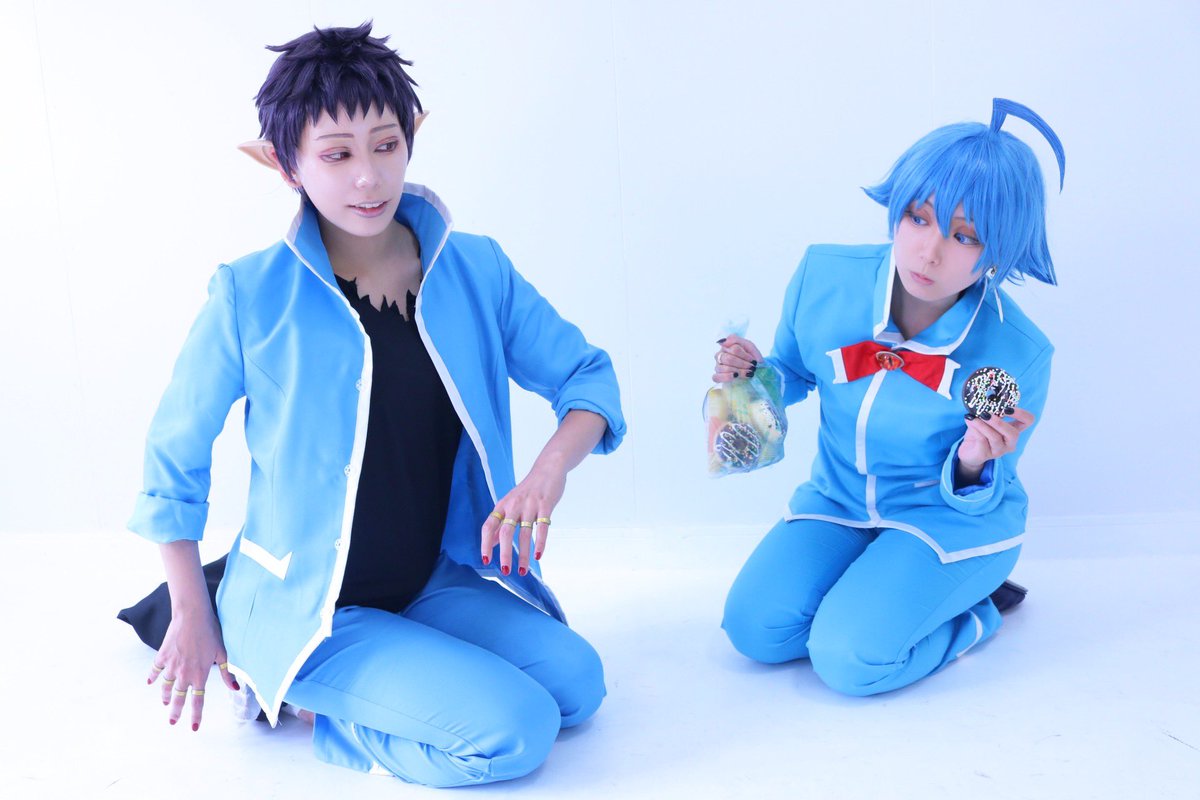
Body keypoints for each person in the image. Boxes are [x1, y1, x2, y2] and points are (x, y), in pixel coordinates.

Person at [126, 22, 625, 787]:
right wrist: (192, 611)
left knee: (578, 687)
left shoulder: (475, 269)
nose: (368, 177)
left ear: (410, 137)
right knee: (513, 735)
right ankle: (302, 699)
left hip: (426, 581)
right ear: (284, 164)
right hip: (314, 608)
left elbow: (587, 377)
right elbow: (173, 459)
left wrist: (546, 473)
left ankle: (385, 675)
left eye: (386, 145)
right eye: (337, 155)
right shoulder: (249, 295)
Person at [716, 99, 1063, 696]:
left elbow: (985, 492)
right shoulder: (824, 276)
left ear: (999, 250)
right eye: (918, 218)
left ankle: (976, 612)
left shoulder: (1018, 351)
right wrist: (752, 374)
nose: (930, 252)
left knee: (849, 660)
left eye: (965, 236)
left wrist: (975, 460)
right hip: (838, 501)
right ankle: (877, 588)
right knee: (756, 631)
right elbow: (794, 372)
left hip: (942, 520)